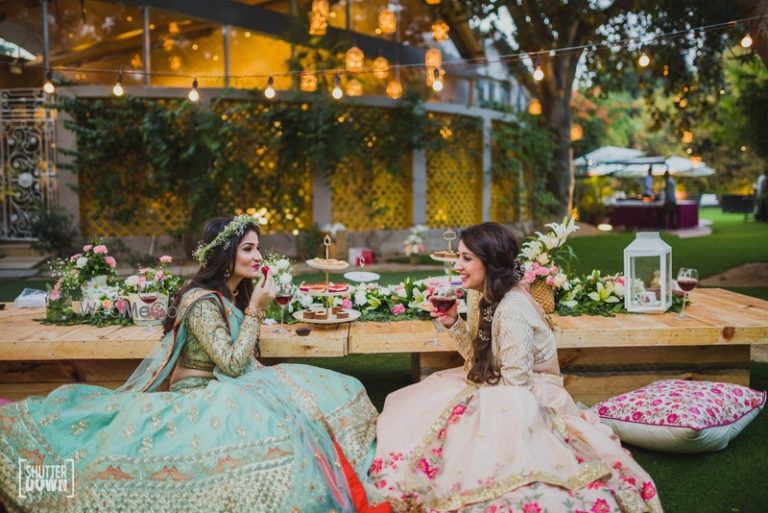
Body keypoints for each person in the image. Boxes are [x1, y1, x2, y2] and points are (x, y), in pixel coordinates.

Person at [0, 215, 388, 513]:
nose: (258, 256)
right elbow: (234, 364)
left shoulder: (231, 294)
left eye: (258, 248)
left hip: (230, 387)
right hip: (201, 395)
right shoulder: (202, 302)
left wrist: (252, 310)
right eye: (249, 249)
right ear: (225, 254)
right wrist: (254, 312)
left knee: (336, 389)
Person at [370, 222, 663, 513]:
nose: (457, 266)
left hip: (528, 393)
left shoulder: (512, 310)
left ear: (491, 262)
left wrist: (473, 408)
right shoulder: (482, 296)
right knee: (408, 409)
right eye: (459, 257)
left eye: (466, 258)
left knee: (464, 440)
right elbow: (481, 357)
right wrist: (453, 324)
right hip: (497, 381)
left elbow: (516, 390)